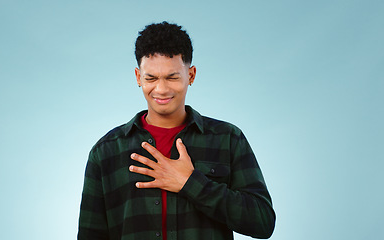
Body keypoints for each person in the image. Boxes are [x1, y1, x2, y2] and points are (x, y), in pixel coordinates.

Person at [78, 21, 275, 240]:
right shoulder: (105, 152)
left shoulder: (228, 139)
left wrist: (190, 183)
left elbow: (263, 222)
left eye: (172, 77)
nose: (161, 89)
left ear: (191, 75)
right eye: (150, 78)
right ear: (137, 77)